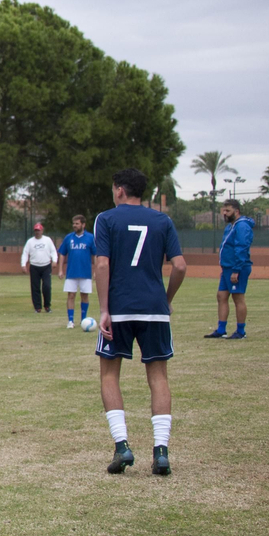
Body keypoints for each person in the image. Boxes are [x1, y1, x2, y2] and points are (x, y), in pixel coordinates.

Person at [94, 167, 188, 477]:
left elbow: (103, 264)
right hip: (154, 309)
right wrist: (167, 299)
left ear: (119, 190)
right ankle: (161, 452)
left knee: (110, 375)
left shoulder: (106, 219)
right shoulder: (163, 221)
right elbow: (180, 266)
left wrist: (104, 308)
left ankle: (122, 446)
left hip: (119, 308)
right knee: (158, 377)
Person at [205, 199, 253, 339]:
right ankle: (221, 330)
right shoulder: (230, 227)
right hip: (227, 268)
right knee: (221, 296)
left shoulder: (242, 226)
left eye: (228, 211)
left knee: (238, 298)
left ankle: (240, 331)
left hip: (237, 268)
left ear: (236, 212)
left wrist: (236, 269)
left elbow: (241, 247)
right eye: (223, 211)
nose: (224, 214)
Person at [58, 214, 96, 328]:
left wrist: (95, 271)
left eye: (77, 223)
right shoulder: (68, 238)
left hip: (85, 272)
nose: (74, 225)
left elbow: (95, 255)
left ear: (83, 225)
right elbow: (62, 253)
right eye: (73, 223)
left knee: (84, 295)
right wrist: (60, 270)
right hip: (71, 272)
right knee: (71, 295)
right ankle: (70, 321)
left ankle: (83, 320)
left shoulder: (90, 238)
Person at [21, 223, 58, 313]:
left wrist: (54, 260)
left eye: (39, 230)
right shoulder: (30, 242)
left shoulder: (47, 240)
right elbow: (25, 253)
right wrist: (23, 264)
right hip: (34, 266)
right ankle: (37, 307)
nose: (37, 232)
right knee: (35, 287)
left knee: (47, 286)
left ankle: (47, 306)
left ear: (42, 231)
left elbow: (53, 251)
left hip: (46, 266)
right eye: (36, 231)